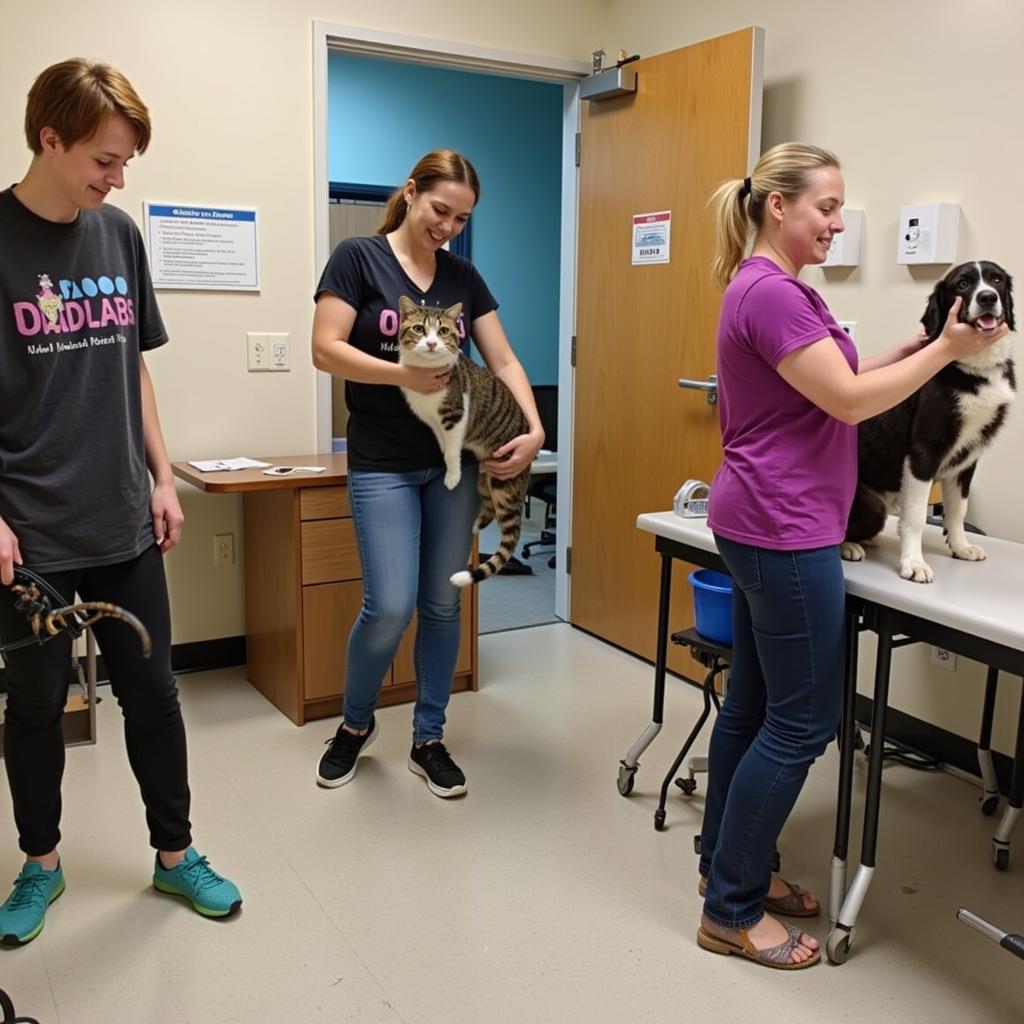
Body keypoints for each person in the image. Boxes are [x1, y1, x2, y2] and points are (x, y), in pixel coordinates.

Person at [697, 142, 1007, 969]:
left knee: (755, 710)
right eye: (827, 208)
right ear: (778, 208)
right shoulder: (775, 295)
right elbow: (847, 398)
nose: (838, 222)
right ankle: (731, 908)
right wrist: (948, 354)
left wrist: (921, 340)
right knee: (800, 724)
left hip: (763, 518)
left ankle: (727, 871)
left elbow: (843, 372)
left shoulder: (772, 289)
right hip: (784, 526)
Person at [0, 58, 241, 947]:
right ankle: (40, 863)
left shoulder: (118, 235)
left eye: (127, 161)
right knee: (36, 706)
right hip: (30, 534)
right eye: (105, 159)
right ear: (49, 138)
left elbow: (129, 359)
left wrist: (161, 475)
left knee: (154, 694)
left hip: (122, 518)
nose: (117, 177)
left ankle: (175, 856)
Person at [311, 150, 544, 798]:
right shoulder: (358, 259)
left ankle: (428, 737)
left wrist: (534, 428)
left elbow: (503, 358)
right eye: (441, 209)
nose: (448, 225)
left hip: (454, 463)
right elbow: (324, 348)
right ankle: (355, 726)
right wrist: (400, 374)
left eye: (462, 218)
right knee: (387, 606)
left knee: (442, 603)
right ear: (412, 193)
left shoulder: (464, 277)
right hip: (382, 461)